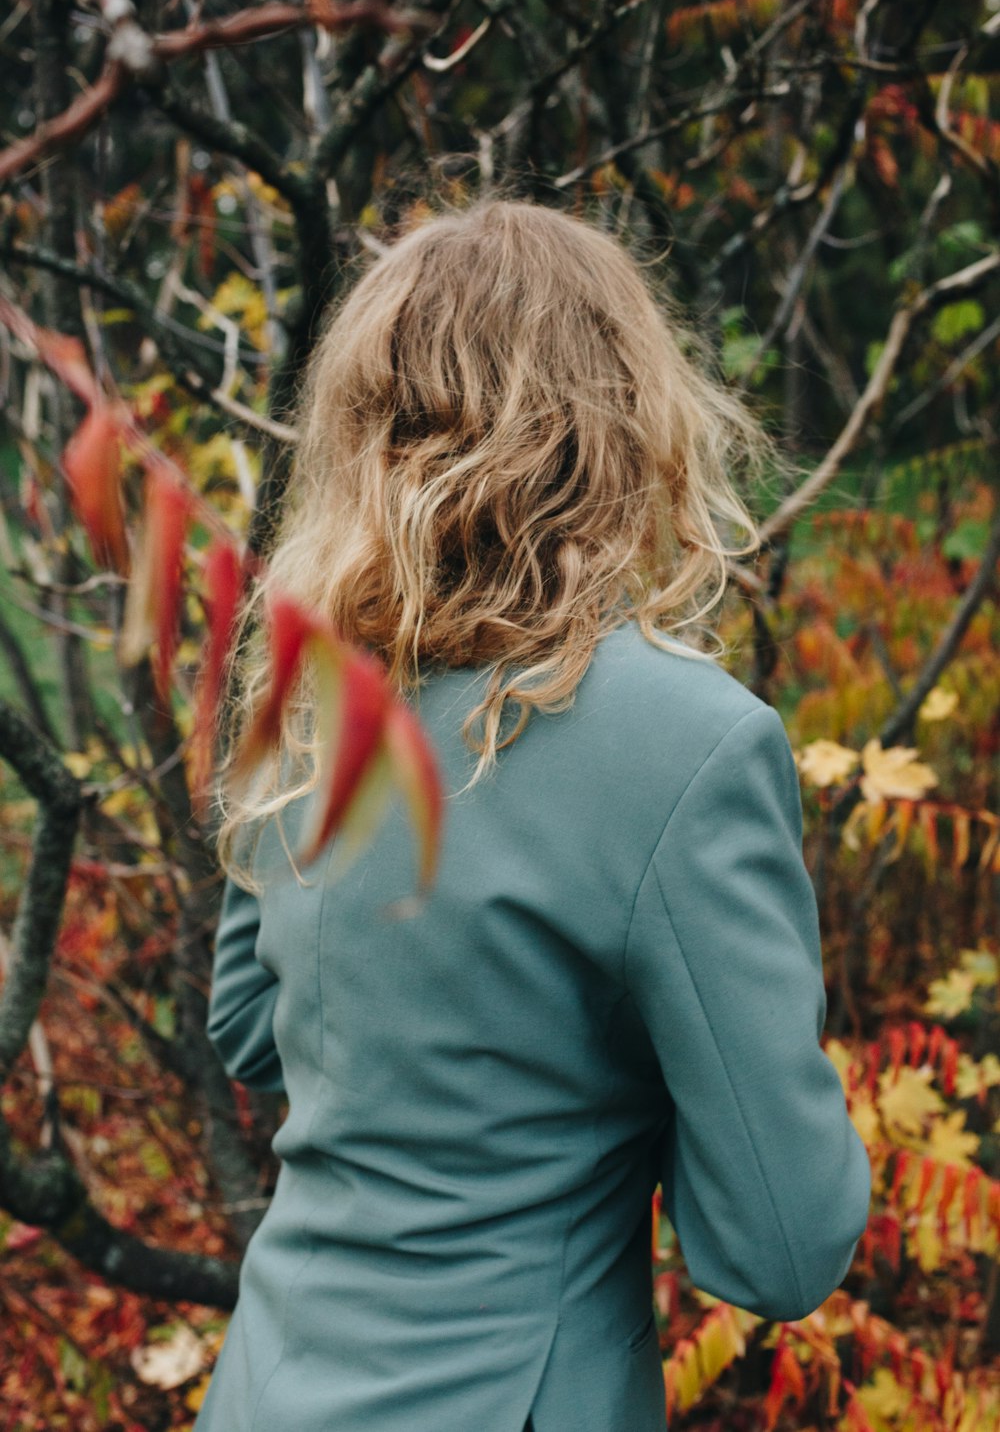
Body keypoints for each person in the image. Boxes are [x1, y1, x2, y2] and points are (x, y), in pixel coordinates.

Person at [194, 197, 872, 1432]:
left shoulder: (309, 699)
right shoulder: (689, 743)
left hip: (264, 1391)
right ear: (624, 420)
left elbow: (249, 1027)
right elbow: (778, 1245)